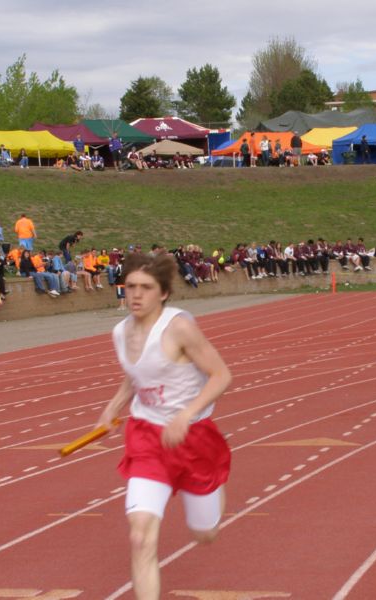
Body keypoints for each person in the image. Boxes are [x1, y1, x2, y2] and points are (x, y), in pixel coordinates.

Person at [94, 252, 231, 600]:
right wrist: (111, 408)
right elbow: (137, 375)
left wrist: (186, 415)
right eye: (130, 287)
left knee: (206, 534)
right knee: (140, 537)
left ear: (164, 293)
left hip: (194, 439)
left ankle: (213, 490)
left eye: (146, 288)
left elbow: (221, 375)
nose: (136, 295)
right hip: (147, 438)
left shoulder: (179, 328)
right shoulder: (120, 332)